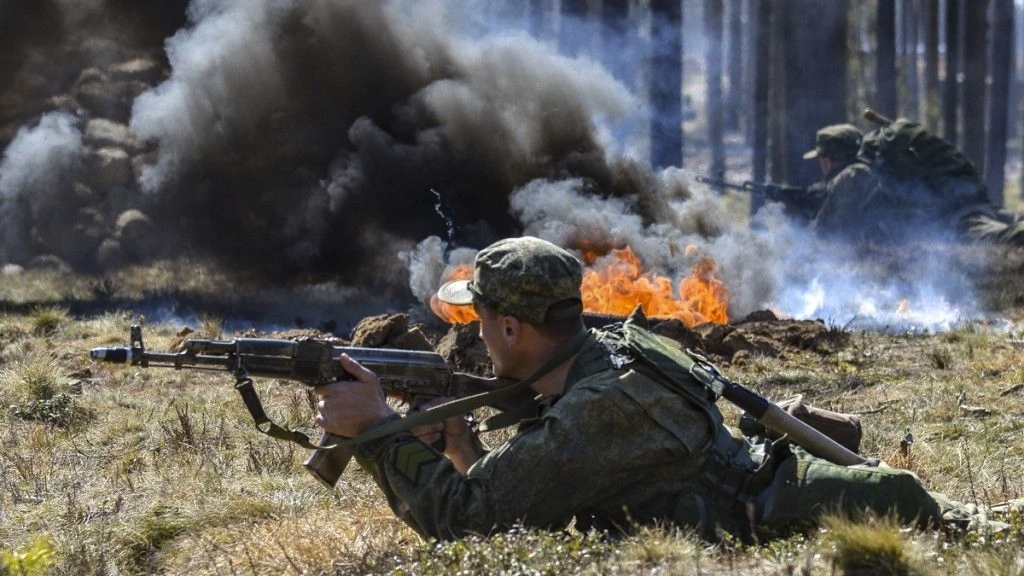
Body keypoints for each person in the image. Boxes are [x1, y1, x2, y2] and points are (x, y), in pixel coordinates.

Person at [314, 236, 996, 542]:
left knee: (967, 523)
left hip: (796, 509)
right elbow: (521, 491)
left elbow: (466, 520)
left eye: (482, 319)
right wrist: (461, 445)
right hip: (772, 482)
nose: (477, 335)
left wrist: (374, 429)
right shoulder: (601, 353)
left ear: (516, 328)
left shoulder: (601, 407)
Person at [804, 123, 892, 242]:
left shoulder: (852, 177)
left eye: (822, 159)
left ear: (827, 161)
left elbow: (823, 234)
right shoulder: (871, 171)